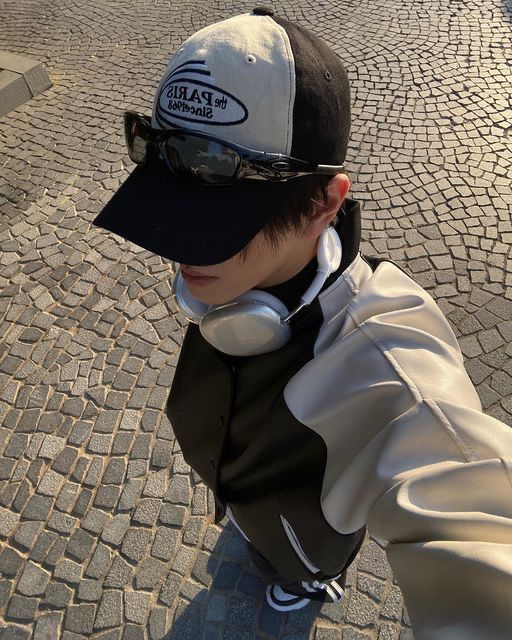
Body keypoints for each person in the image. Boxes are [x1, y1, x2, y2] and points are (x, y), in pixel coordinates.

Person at [92, 7, 512, 638]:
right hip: (243, 497)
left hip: (305, 540)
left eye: (217, 226)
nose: (182, 253)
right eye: (175, 212)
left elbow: (472, 513)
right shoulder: (231, 285)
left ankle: (307, 583)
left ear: (324, 203)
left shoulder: (385, 362)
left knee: (297, 569)